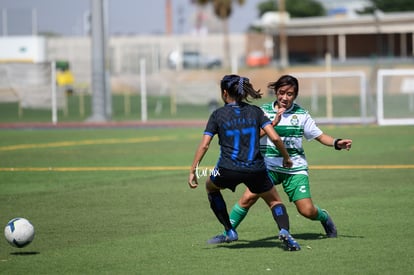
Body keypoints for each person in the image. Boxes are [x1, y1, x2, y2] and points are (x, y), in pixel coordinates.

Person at [214, 74, 353, 240]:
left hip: (294, 168)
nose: (285, 97)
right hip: (268, 167)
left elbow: (321, 136)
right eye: (281, 93)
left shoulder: (301, 115)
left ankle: (324, 217)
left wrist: (337, 143)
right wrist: (273, 123)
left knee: (306, 211)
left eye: (290, 94)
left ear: (295, 95)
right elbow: (252, 137)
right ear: (276, 92)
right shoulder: (263, 111)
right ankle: (227, 233)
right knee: (248, 197)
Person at [188, 74, 301, 251]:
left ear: (225, 93)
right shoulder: (256, 112)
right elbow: (276, 138)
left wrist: (193, 170)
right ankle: (285, 231)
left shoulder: (217, 115)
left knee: (210, 186)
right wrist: (286, 158)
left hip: (225, 169)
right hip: (256, 169)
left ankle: (229, 230)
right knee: (275, 202)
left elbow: (204, 145)